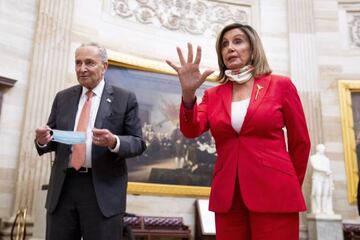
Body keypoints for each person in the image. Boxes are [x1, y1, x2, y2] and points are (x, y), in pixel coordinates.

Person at [166, 23, 311, 240]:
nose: (230, 48)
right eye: (224, 44)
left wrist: (288, 185)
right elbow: (191, 129)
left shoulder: (280, 85)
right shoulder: (213, 94)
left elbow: (301, 142)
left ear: (252, 48)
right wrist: (188, 95)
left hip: (275, 193)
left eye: (238, 41)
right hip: (229, 197)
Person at [35, 43, 146, 240]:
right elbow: (51, 137)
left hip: (102, 192)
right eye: (78, 63)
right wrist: (43, 140)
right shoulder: (63, 97)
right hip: (63, 189)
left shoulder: (124, 98)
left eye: (89, 63)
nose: (82, 68)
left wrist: (114, 141)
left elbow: (138, 142)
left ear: (104, 66)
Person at [309, 144, 334, 215]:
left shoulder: (326, 159)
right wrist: (325, 170)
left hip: (326, 179)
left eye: (323, 149)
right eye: (321, 149)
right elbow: (315, 166)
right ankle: (318, 208)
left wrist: (331, 181)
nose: (323, 150)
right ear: (318, 149)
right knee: (318, 193)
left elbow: (329, 169)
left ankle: (324, 208)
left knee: (325, 194)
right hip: (317, 178)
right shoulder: (313, 157)